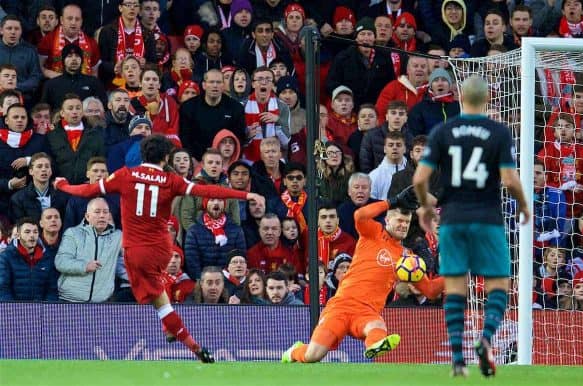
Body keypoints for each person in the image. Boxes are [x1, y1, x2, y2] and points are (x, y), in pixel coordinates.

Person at [54, 134, 265, 363]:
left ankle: (186, 339)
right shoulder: (171, 180)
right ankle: (178, 335)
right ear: (165, 158)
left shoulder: (125, 175)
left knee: (155, 301)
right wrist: (245, 195)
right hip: (163, 250)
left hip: (136, 251)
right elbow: (209, 191)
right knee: (159, 297)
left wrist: (62, 185)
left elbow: (87, 191)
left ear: (142, 154)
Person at [412, 75, 530, 377]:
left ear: (460, 98)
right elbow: (509, 179)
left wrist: (426, 206)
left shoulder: (442, 131)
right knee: (498, 286)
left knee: (454, 287)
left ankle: (457, 359)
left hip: (452, 219)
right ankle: (486, 339)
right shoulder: (498, 132)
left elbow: (419, 179)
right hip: (487, 218)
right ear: (487, 99)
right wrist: (523, 203)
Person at [281, 188, 444, 363]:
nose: (403, 225)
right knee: (313, 356)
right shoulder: (373, 233)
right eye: (400, 220)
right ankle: (294, 352)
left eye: (407, 222)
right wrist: (392, 201)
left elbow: (431, 291)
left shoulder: (407, 261)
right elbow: (360, 215)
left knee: (377, 325)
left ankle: (375, 345)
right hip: (341, 306)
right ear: (387, 220)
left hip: (366, 312)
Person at [55, 198, 122, 303]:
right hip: (70, 301)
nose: (102, 215)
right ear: (87, 216)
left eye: (105, 212)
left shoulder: (118, 236)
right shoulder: (73, 233)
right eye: (97, 212)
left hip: (102, 303)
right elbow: (61, 262)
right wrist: (84, 266)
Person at [0, 217, 59, 301]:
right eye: (27, 232)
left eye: (35, 232)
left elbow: (52, 290)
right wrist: (13, 310)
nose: (32, 235)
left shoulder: (47, 257)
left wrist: (46, 310)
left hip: (41, 311)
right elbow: (3, 289)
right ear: (18, 235)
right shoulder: (5, 257)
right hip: (14, 310)